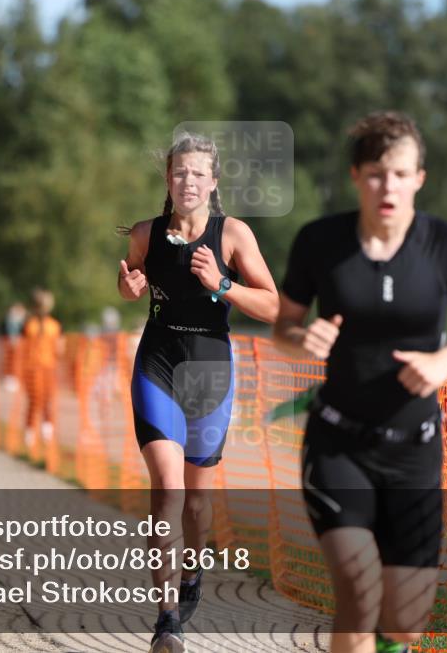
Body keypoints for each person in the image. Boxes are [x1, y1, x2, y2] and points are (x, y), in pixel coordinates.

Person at [272, 112, 447, 653]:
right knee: (357, 589)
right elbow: (283, 325)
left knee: (405, 621)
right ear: (356, 175)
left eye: (401, 174)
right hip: (339, 444)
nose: (389, 186)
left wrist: (445, 361)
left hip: (414, 450)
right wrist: (300, 338)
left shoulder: (446, 244)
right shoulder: (319, 242)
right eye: (377, 173)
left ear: (420, 178)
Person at [118, 132, 279, 653]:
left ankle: (192, 575)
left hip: (209, 368)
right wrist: (127, 288)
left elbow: (275, 307)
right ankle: (167, 620)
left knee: (198, 503)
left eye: (197, 173)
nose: (188, 181)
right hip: (159, 362)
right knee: (168, 490)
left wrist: (223, 285)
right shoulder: (145, 233)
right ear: (168, 179)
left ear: (213, 182)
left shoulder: (232, 235)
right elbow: (130, 282)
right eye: (179, 172)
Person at [21, 289, 63, 454]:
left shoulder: (53, 326)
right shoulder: (30, 325)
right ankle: (31, 434)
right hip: (33, 368)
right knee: (35, 400)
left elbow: (58, 348)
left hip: (47, 368)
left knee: (46, 401)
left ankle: (45, 434)